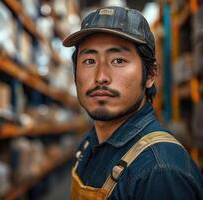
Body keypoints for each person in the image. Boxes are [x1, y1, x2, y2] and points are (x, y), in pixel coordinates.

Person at [63, 6, 203, 200]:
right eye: (89, 61)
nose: (101, 77)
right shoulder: (90, 143)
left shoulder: (160, 172)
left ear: (150, 75)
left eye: (118, 60)